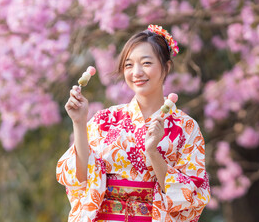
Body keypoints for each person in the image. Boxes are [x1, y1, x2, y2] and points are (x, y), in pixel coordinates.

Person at [56, 25, 210, 222]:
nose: (136, 72)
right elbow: (79, 178)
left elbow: (190, 197)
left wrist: (153, 152)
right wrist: (78, 123)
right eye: (129, 65)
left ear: (167, 67)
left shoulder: (186, 128)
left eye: (146, 63)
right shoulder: (104, 120)